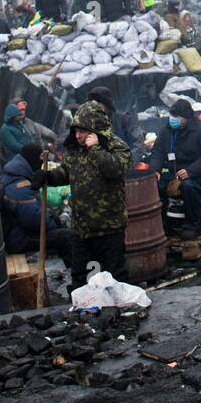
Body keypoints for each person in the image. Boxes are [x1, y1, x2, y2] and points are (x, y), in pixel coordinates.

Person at [34, 101, 131, 291]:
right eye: (76, 131)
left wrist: (95, 149)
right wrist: (48, 177)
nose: (78, 136)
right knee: (82, 281)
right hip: (81, 229)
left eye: (83, 131)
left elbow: (116, 169)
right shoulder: (75, 151)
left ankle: (119, 315)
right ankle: (82, 318)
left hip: (109, 228)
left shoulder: (116, 146)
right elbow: (66, 173)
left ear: (94, 129)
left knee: (115, 280)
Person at [149, 98, 201, 238]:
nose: (173, 119)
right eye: (172, 116)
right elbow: (157, 152)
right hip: (174, 172)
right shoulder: (167, 131)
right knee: (155, 185)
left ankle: (193, 225)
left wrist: (191, 171)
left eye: (177, 117)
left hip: (200, 174)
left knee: (188, 186)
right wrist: (156, 170)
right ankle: (163, 225)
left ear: (186, 118)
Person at [0, 143, 70, 256]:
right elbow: (34, 220)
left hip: (17, 232)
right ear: (33, 161)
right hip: (19, 239)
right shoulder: (19, 186)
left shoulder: (13, 174)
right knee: (67, 236)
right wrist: (55, 222)